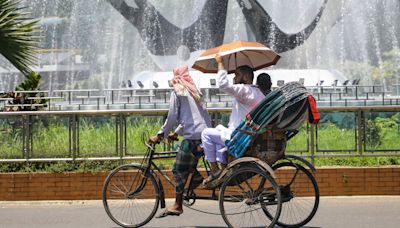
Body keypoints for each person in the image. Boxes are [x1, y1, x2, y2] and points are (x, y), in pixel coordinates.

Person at [148, 65, 211, 217]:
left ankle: (178, 205)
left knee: (178, 169)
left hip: (192, 139)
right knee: (186, 163)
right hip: (204, 135)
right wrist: (176, 133)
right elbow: (190, 118)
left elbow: (172, 117)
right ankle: (195, 178)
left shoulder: (178, 92)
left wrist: (160, 135)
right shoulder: (193, 90)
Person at [201, 55, 265, 184]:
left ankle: (214, 170)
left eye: (237, 75)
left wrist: (220, 64)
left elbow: (223, 85)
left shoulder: (244, 90)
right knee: (219, 132)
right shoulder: (259, 93)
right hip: (247, 134)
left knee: (206, 133)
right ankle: (224, 169)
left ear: (246, 77)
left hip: (239, 136)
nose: (234, 78)